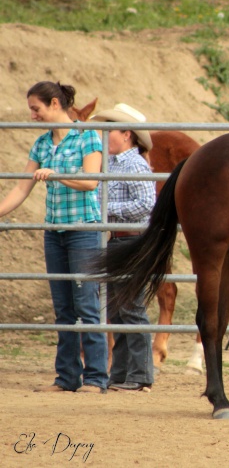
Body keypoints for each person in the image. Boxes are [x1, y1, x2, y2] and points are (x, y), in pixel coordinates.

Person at [0, 81, 108, 393]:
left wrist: (56, 176)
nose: (32, 115)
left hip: (83, 229)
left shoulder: (87, 136)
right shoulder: (42, 144)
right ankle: (66, 377)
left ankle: (97, 378)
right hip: (55, 231)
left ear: (55, 105)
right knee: (63, 307)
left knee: (87, 304)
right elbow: (22, 187)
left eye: (36, 108)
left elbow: (91, 181)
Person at [90, 103, 156, 392]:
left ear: (126, 134)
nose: (105, 136)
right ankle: (121, 373)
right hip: (118, 238)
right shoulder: (116, 163)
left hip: (130, 239)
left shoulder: (134, 164)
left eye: (110, 131)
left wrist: (105, 209)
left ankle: (139, 374)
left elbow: (145, 204)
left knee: (130, 306)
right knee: (118, 308)